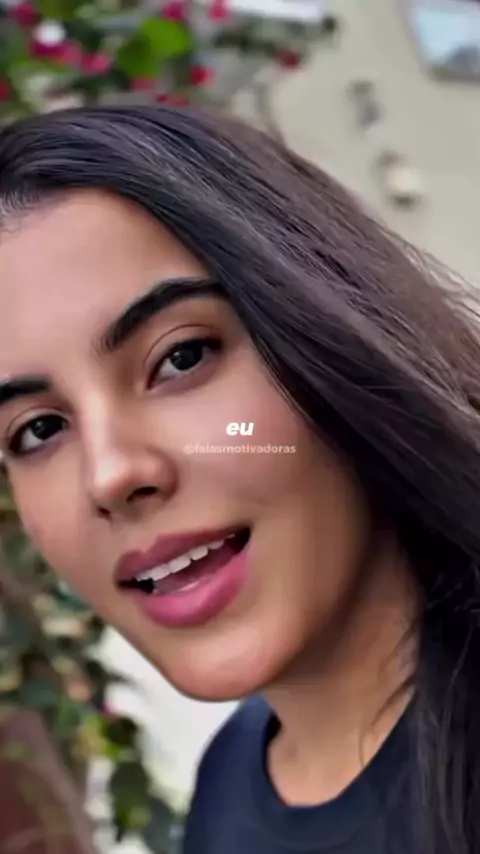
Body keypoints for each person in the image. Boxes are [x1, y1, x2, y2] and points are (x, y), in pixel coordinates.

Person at [0, 105, 479, 854]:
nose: (112, 473)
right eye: (37, 430)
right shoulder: (226, 791)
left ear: (332, 328)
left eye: (181, 357)